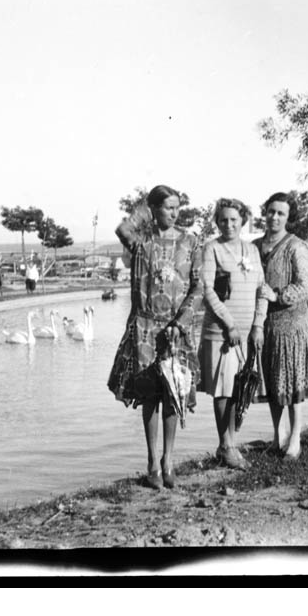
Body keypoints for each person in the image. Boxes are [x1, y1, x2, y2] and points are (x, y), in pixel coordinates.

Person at [107, 185, 203, 490]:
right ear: (154, 209)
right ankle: (151, 463)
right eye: (167, 207)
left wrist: (182, 321)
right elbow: (123, 227)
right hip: (146, 328)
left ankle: (169, 460)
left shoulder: (191, 241)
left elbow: (198, 287)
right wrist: (147, 207)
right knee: (150, 396)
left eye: (177, 207)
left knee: (173, 393)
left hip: (175, 329)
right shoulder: (141, 242)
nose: (174, 213)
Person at [199, 198, 267, 469]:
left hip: (247, 332)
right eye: (223, 220)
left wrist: (258, 324)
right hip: (221, 332)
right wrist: (229, 324)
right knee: (223, 390)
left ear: (243, 222)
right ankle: (226, 445)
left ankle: (228, 443)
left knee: (240, 388)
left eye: (234, 220)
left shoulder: (251, 250)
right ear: (217, 222)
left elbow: (262, 289)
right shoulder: (211, 249)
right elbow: (207, 290)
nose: (228, 224)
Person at [256, 192, 308, 458]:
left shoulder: (296, 246)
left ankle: (296, 437)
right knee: (272, 381)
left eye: (281, 213)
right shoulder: (255, 246)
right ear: (264, 213)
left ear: (288, 217)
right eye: (271, 211)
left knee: (292, 383)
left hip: (292, 324)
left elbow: (307, 285)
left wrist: (278, 296)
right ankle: (277, 435)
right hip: (267, 324)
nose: (275, 217)